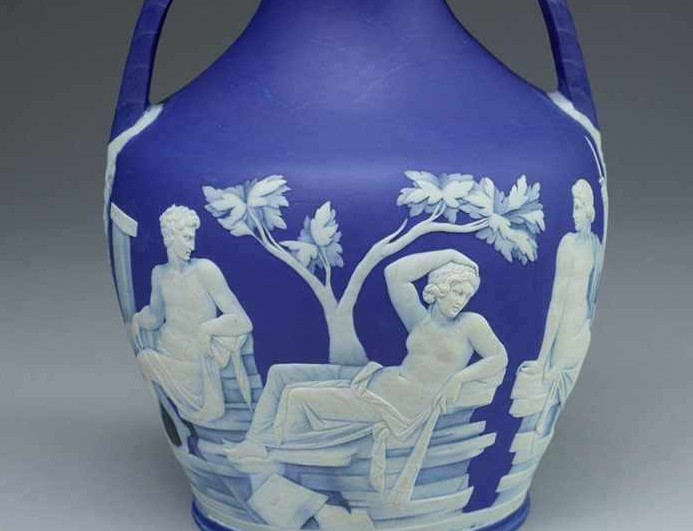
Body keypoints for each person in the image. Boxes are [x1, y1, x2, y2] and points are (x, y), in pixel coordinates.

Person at [226, 248, 507, 500]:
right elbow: (395, 274)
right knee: (280, 374)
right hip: (373, 380)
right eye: (457, 292)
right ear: (440, 288)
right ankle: (254, 442)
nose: (462, 301)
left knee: (297, 397)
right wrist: (450, 255)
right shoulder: (419, 321)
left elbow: (498, 356)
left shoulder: (470, 324)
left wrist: (459, 378)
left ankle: (276, 455)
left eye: (467, 296)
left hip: (395, 408)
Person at [132, 205, 253, 424]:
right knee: (144, 359)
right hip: (168, 354)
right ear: (170, 236)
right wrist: (136, 320)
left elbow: (243, 321)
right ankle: (177, 426)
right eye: (187, 238)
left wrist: (207, 328)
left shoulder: (205, 270)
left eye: (193, 238)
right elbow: (155, 318)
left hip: (196, 368)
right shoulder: (159, 274)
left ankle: (183, 425)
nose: (193, 246)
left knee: (148, 361)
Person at [510, 179, 600, 435]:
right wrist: (542, 359)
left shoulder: (595, 244)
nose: (573, 215)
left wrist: (586, 325)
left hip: (580, 327)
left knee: (560, 380)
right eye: (573, 208)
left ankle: (541, 425)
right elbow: (556, 303)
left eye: (578, 208)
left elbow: (591, 292)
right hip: (563, 333)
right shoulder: (568, 244)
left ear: (590, 210)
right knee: (551, 376)